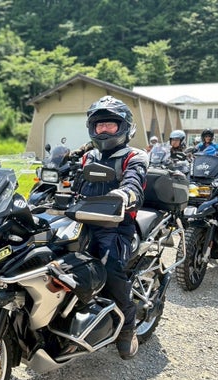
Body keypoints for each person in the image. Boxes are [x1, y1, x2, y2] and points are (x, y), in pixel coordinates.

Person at [73, 95, 149, 360]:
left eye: (110, 125)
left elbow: (135, 182)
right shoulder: (88, 155)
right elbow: (71, 180)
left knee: (110, 268)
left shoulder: (134, 156)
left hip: (116, 226)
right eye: (100, 125)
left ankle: (128, 328)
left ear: (124, 127)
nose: (104, 130)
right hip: (82, 220)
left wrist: (124, 193)